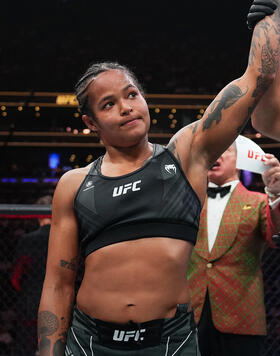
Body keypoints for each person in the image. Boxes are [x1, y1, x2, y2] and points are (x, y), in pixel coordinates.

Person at [38, 2, 280, 355]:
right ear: (91, 123)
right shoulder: (74, 184)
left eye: (132, 94)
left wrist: (272, 16)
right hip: (89, 342)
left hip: (171, 341)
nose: (125, 107)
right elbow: (58, 284)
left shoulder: (186, 154)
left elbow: (258, 77)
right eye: (108, 104)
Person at [187, 144, 280, 356]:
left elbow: (276, 236)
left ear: (239, 160)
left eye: (224, 150)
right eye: (211, 151)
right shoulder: (188, 201)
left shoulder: (259, 202)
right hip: (190, 317)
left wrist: (276, 194)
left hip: (242, 319)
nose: (215, 156)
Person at [11, 195, 52, 356]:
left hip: (31, 301)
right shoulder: (66, 238)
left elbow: (16, 277)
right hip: (59, 299)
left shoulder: (28, 240)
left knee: (27, 347)